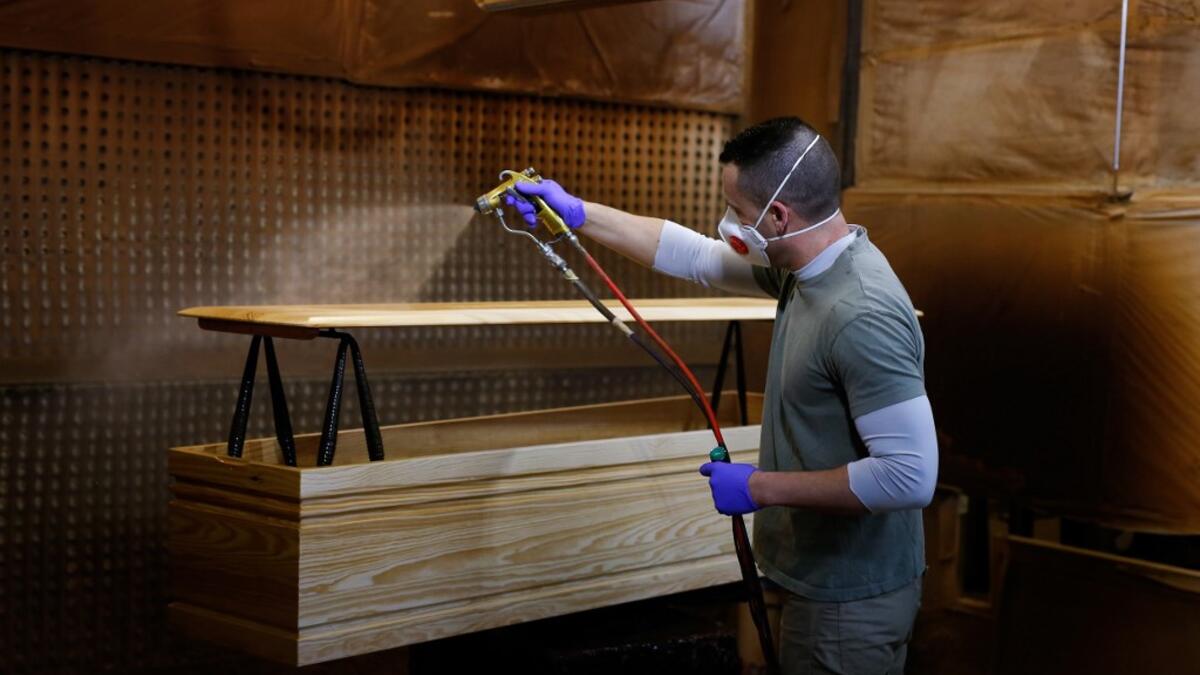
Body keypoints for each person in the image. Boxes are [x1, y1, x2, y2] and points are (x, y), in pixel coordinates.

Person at [507, 116, 936, 674]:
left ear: (779, 215)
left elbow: (910, 474)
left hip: (847, 598)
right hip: (820, 579)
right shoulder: (804, 267)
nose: (730, 223)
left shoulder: (861, 312)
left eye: (738, 211)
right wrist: (580, 214)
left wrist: (759, 486)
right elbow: (697, 257)